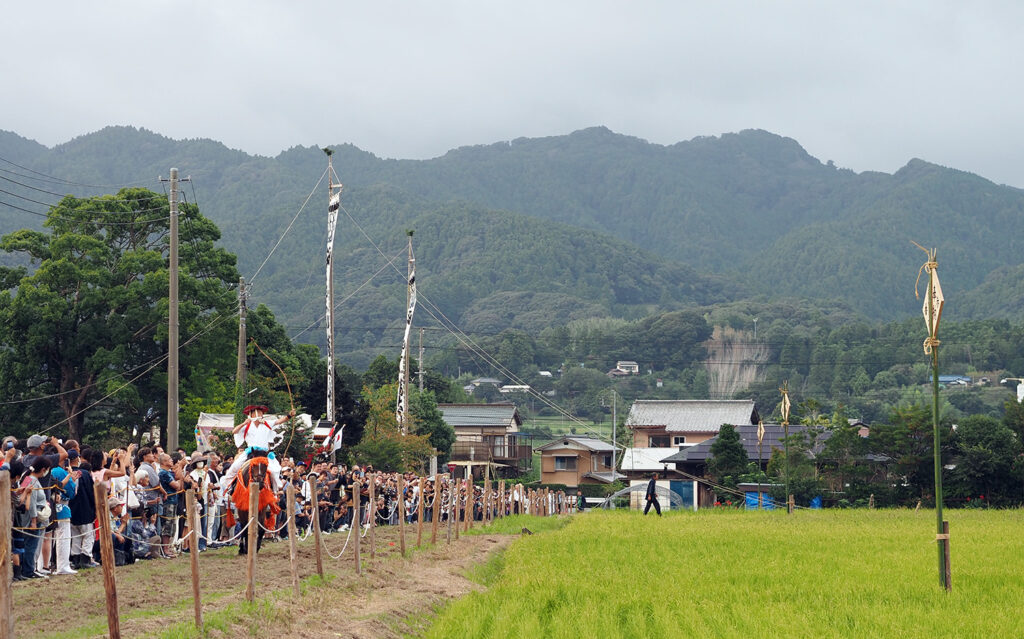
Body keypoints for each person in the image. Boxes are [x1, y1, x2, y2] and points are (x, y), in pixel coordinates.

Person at [223, 404, 294, 493]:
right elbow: (234, 431)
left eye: (260, 413)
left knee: (275, 470)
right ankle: (231, 487)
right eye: (257, 413)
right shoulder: (247, 425)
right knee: (234, 467)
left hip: (264, 453)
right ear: (251, 415)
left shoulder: (267, 423)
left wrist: (289, 415)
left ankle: (275, 491)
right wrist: (244, 423)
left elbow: (281, 421)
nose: (259, 415)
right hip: (251, 452)